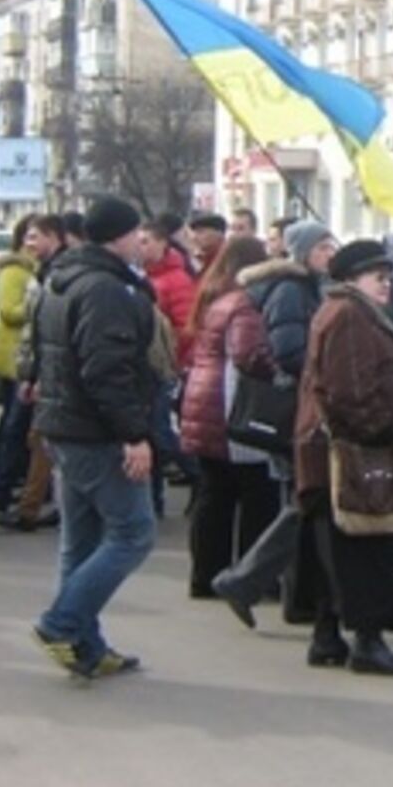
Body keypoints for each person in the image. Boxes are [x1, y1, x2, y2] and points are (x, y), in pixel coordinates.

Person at [31, 197, 157, 678]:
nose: (141, 241)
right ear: (118, 237)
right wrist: (135, 435)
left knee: (80, 542)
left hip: (65, 425)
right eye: (136, 233)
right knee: (133, 532)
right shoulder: (104, 289)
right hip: (95, 430)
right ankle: (62, 623)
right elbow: (107, 369)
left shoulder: (64, 278)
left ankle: (85, 644)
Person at [294, 239, 393, 674]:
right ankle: (368, 642)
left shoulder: (344, 311)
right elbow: (351, 391)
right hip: (349, 452)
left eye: (388, 276)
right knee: (363, 550)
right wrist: (380, 430)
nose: (386, 284)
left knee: (335, 546)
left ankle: (327, 636)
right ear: (352, 280)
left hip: (330, 451)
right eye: (377, 277)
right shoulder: (349, 316)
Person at [212, 221, 337, 627]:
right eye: (321, 247)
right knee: (305, 502)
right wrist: (325, 376)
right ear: (301, 253)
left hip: (303, 406)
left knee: (303, 503)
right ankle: (245, 580)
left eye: (331, 245)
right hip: (298, 409)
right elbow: (289, 351)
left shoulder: (309, 288)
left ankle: (291, 598)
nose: (329, 253)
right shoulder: (290, 290)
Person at [179, 236, 280, 598]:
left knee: (214, 495)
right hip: (232, 405)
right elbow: (248, 354)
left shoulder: (214, 296)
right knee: (258, 494)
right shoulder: (245, 302)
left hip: (204, 401)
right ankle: (250, 577)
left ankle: (206, 576)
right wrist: (281, 373)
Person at [0, 214, 66, 532]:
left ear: (55, 237)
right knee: (38, 439)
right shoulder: (44, 271)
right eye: (27, 237)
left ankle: (31, 508)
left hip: (55, 373)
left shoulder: (58, 274)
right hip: (42, 370)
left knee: (41, 439)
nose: (30, 243)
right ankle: (33, 506)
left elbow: (47, 329)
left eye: (36, 237)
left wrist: (37, 375)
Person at [138, 220, 198, 502]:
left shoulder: (176, 279)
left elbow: (187, 327)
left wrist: (169, 357)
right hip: (148, 368)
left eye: (147, 241)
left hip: (166, 367)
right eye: (139, 241)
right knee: (152, 432)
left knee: (162, 433)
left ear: (163, 243)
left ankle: (199, 475)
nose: (142, 247)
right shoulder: (142, 277)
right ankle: (154, 497)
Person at [0, 214, 38, 515]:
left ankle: (7, 481)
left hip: (25, 355)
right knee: (15, 424)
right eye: (29, 236)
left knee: (16, 423)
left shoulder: (37, 269)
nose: (33, 243)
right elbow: (8, 311)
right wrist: (39, 304)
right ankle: (0, 484)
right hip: (15, 355)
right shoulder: (14, 270)